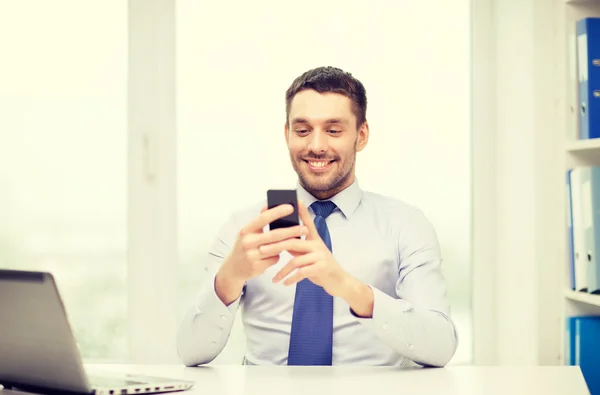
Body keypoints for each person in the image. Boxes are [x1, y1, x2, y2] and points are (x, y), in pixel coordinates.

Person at [176, 66, 458, 367]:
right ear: (287, 135)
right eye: (302, 130)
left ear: (361, 136)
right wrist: (229, 277)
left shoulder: (405, 225)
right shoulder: (243, 229)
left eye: (333, 130)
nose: (316, 146)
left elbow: (441, 346)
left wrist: (347, 287)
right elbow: (191, 353)